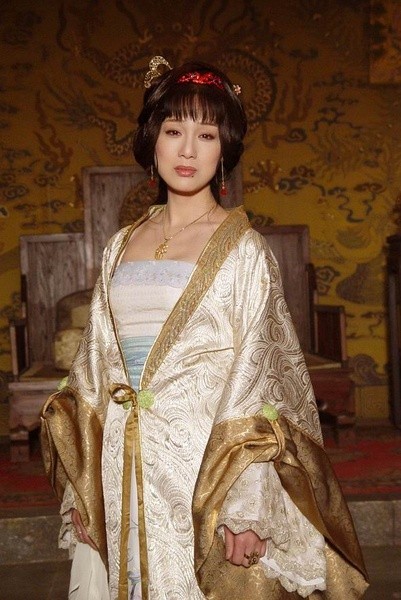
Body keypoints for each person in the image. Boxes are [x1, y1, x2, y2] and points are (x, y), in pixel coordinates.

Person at [41, 56, 369, 600]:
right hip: (121, 468)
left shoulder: (244, 251)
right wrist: (82, 488)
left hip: (202, 474)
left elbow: (258, 386)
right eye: (174, 131)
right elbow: (92, 372)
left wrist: (245, 505)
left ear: (224, 151)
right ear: (153, 141)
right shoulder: (119, 245)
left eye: (207, 135)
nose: (188, 150)